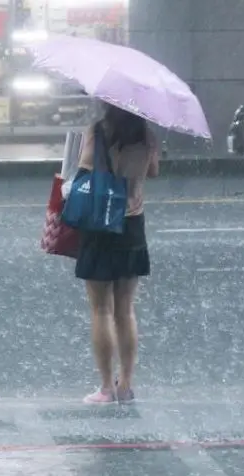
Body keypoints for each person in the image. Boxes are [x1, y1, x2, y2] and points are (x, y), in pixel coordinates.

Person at [75, 105, 160, 405]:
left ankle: (105, 388)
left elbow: (85, 169)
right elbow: (153, 171)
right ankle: (125, 384)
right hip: (133, 225)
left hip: (99, 223)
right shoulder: (147, 136)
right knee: (125, 310)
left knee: (101, 310)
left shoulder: (98, 131)